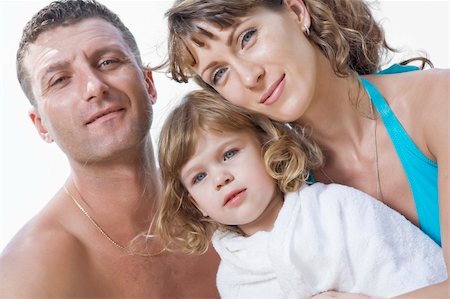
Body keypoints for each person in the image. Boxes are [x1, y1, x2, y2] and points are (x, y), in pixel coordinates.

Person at [162, 0, 449, 297]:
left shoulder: (436, 102)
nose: (249, 77)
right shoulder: (287, 197)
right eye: (219, 73)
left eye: (247, 37)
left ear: (297, 11)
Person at [0, 0, 220, 297]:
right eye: (60, 79)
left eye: (108, 62)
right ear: (41, 125)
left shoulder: (224, 197)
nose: (94, 87)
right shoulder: (28, 274)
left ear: (148, 83)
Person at [155, 89, 447, 299]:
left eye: (230, 153)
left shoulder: (338, 208)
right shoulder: (233, 279)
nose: (221, 178)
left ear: (266, 146)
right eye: (200, 177)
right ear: (196, 204)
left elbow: (412, 271)